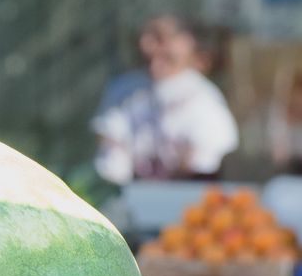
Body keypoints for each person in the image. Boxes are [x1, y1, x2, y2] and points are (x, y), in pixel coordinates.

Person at [92, 13, 239, 184]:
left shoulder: (206, 102)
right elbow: (109, 151)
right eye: (146, 36)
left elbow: (202, 170)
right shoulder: (123, 89)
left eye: (161, 37)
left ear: (194, 50)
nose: (147, 44)